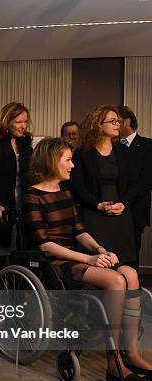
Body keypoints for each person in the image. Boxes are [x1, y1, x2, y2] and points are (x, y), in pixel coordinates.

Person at [23, 137, 152, 381]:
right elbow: (44, 244)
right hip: (55, 261)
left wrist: (101, 249)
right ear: (51, 161)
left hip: (77, 254)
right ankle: (114, 362)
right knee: (116, 280)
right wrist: (90, 258)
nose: (72, 165)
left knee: (131, 274)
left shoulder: (66, 192)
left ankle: (132, 354)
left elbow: (79, 231)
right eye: (68, 160)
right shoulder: (33, 196)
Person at [70, 105, 138, 267]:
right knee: (98, 264)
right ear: (98, 124)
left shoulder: (123, 151)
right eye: (113, 121)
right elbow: (77, 186)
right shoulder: (83, 152)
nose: (117, 125)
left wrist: (123, 203)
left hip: (120, 215)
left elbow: (135, 184)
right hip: (93, 214)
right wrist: (97, 204)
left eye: (119, 121)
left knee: (122, 265)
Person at [0, 102, 33, 280]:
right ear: (7, 121)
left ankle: (17, 304)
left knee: (20, 260)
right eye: (18, 122)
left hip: (23, 211)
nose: (23, 126)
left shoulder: (27, 146)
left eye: (25, 121)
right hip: (1, 212)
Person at [118, 105, 152, 270]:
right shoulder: (112, 146)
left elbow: (147, 180)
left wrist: (126, 200)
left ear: (127, 121)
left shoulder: (147, 145)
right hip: (115, 208)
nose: (115, 126)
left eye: (118, 121)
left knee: (133, 251)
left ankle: (132, 290)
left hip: (136, 208)